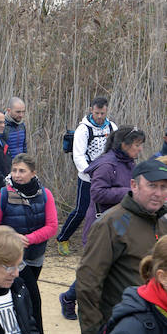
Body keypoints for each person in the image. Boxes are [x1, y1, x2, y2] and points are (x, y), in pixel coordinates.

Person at [76, 159, 167, 334]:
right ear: (134, 185)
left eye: (164, 187)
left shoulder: (162, 222)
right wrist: (94, 333)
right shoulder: (111, 224)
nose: (159, 193)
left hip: (158, 326)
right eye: (152, 186)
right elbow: (88, 279)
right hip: (123, 328)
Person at [60, 126, 145, 320]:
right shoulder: (107, 165)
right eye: (137, 145)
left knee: (115, 266)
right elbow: (97, 193)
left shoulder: (129, 162)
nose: (140, 149)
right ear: (124, 145)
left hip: (123, 221)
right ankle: (69, 297)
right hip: (103, 224)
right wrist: (129, 192)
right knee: (96, 268)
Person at [0, 154, 60, 334]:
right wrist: (12, 238)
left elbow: (52, 226)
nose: (17, 175)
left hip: (35, 255)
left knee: (22, 300)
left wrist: (29, 239)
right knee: (34, 300)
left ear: (33, 173)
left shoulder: (45, 194)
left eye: (22, 171)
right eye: (15, 170)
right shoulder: (2, 195)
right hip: (13, 259)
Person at [56, 97, 118, 255]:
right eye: (97, 113)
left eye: (102, 113)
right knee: (81, 211)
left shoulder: (112, 127)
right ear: (91, 110)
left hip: (107, 177)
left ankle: (105, 242)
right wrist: (92, 173)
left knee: (108, 211)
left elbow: (116, 151)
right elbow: (78, 156)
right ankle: (63, 238)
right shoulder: (83, 130)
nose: (99, 116)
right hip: (87, 178)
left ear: (106, 111)